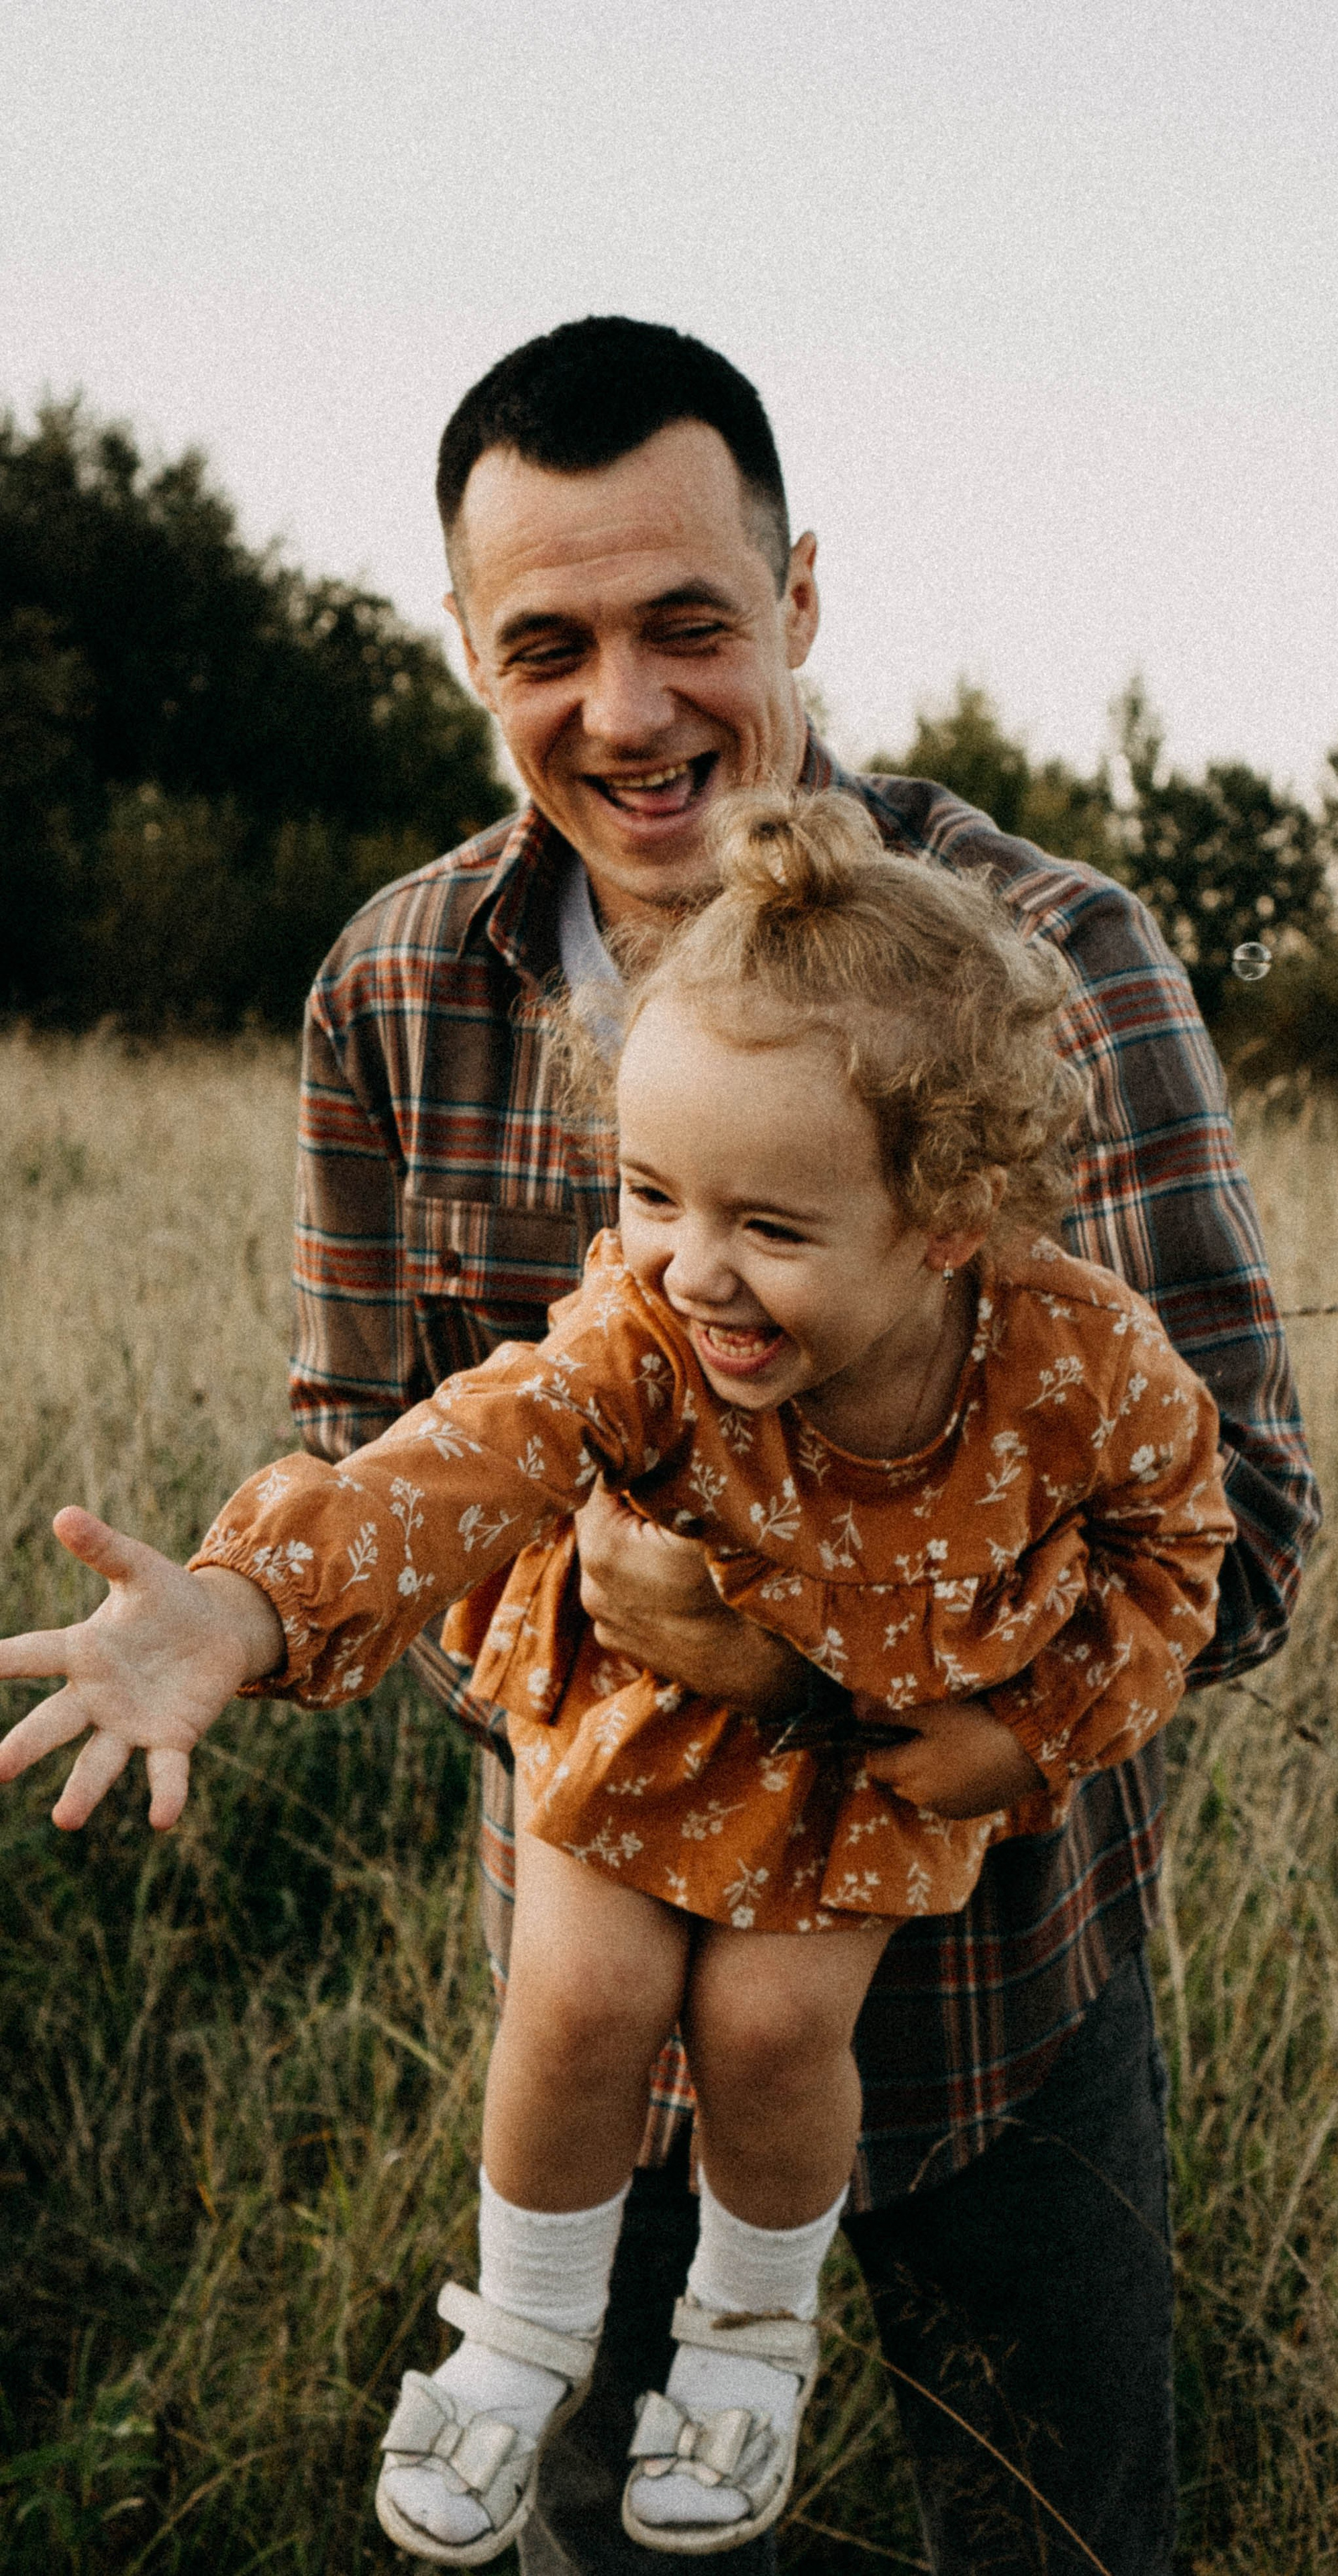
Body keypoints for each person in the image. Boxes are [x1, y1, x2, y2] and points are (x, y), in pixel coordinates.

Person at [98, 317, 1321, 2571]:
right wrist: (266, 1610)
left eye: (690, 625)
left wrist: (848, 1679)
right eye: (547, 646)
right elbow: (403, 1454)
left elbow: (1241, 1534)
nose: (629, 711)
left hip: (1003, 2007)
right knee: (616, 2546)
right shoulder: (395, 988)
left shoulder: (1056, 969)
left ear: (801, 601)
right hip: (598, 2020)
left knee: (1063, 2538)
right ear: (470, 651)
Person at [0, 789, 1237, 2563]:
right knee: (574, 2011)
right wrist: (244, 1604)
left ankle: (745, 2345)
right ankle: (517, 2339)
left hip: (868, 1764)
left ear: (949, 1222)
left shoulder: (1082, 1372)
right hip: (635, 1720)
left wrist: (1029, 1731)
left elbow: (1181, 1559)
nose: (692, 1267)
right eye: (652, 1194)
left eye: (773, 1227)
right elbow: (470, 1449)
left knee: (771, 2027)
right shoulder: (644, 1329)